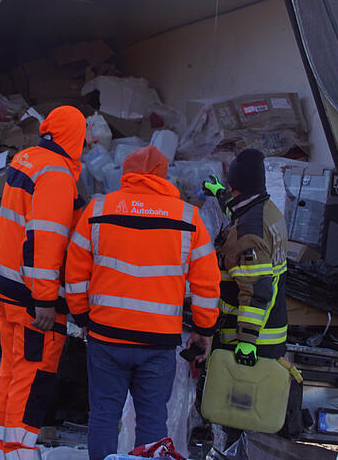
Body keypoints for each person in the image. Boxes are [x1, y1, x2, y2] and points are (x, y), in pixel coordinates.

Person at [65, 145, 221, 460]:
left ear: (126, 174)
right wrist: (204, 329)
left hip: (106, 336)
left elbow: (75, 272)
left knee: (104, 415)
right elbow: (207, 283)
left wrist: (82, 317)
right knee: (152, 419)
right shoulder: (189, 219)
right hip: (157, 342)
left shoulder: (98, 210)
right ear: (165, 177)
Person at [0, 105, 87, 459]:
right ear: (74, 137)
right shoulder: (57, 175)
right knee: (33, 376)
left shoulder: (28, 159)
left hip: (7, 285)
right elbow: (45, 240)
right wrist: (45, 301)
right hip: (33, 297)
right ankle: (19, 450)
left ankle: (3, 446)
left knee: (13, 371)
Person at [204, 148, 288, 366]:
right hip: (270, 328)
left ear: (236, 186)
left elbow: (255, 290)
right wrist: (219, 193)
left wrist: (247, 340)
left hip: (252, 341)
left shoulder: (249, 234)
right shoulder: (266, 209)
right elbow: (238, 211)